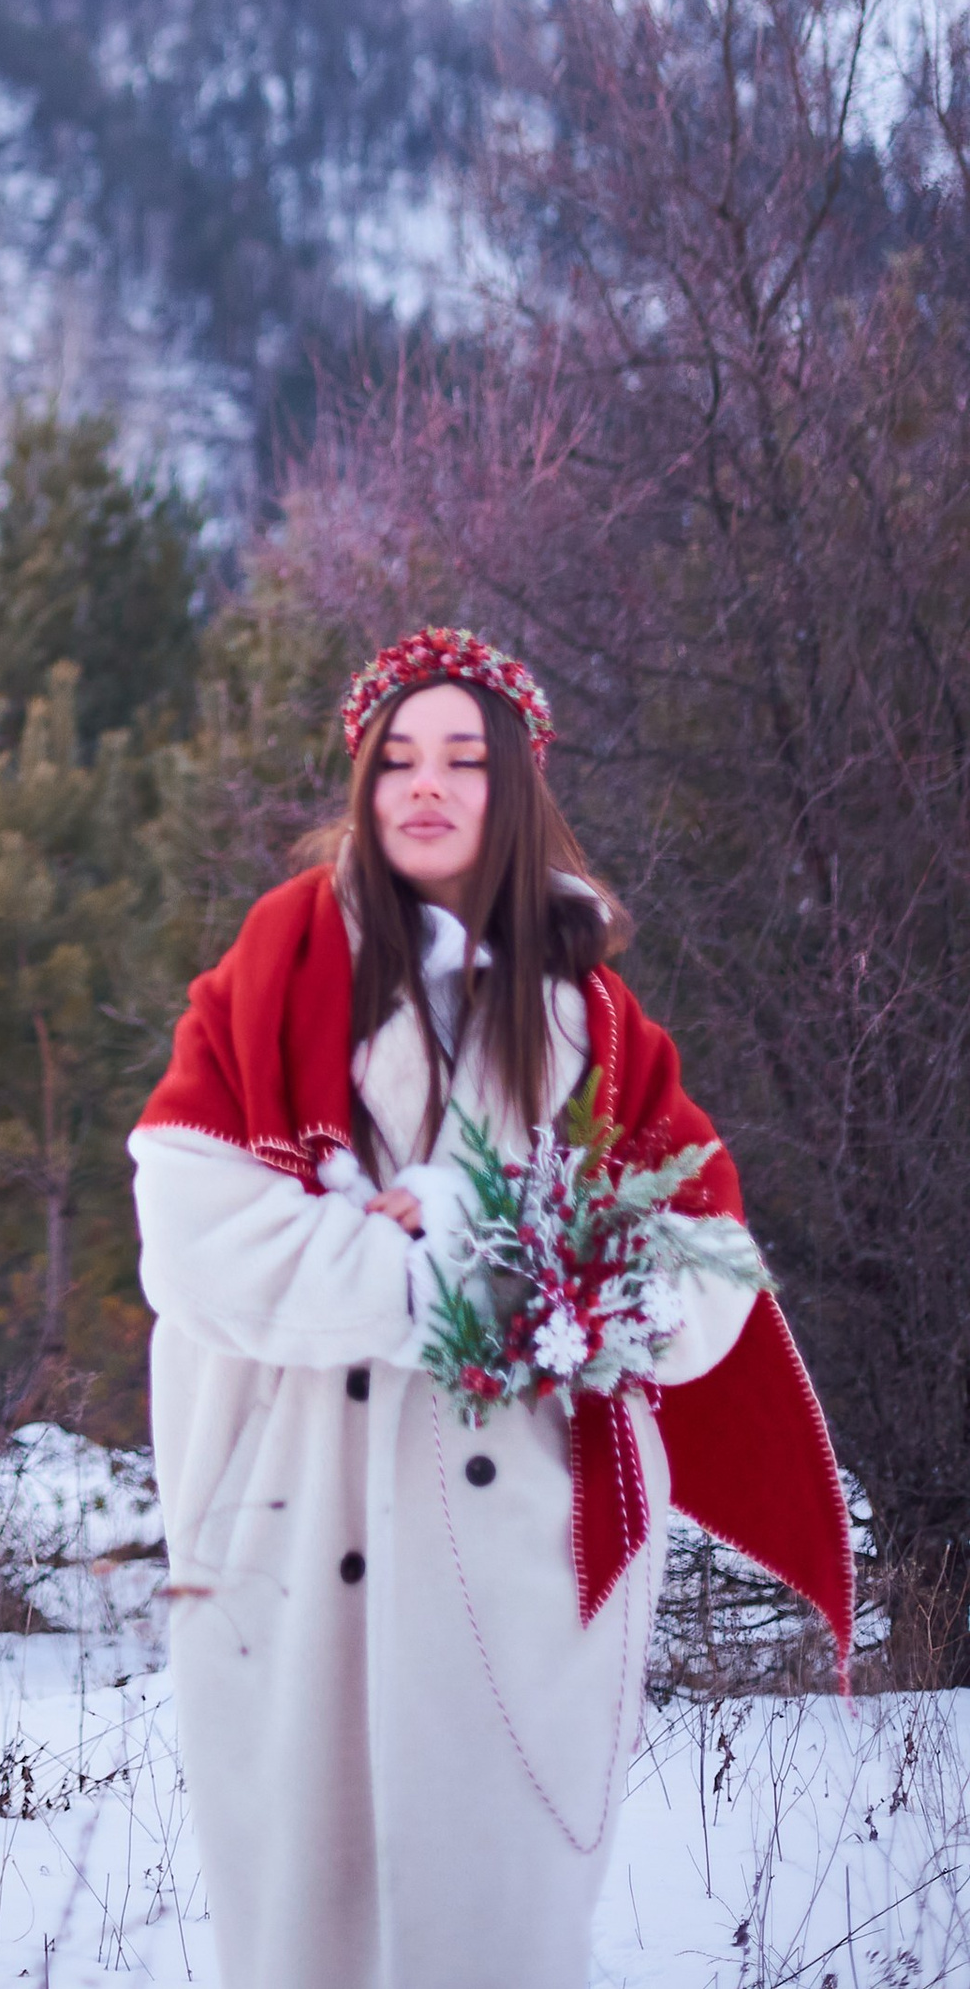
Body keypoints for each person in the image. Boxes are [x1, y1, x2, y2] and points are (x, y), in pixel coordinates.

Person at [129, 626, 851, 1989]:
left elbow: (706, 1265)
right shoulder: (272, 976)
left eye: (463, 758)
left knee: (499, 1928)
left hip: (520, 1541)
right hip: (301, 1522)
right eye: (396, 757)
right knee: (307, 1926)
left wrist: (534, 1265)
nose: (426, 784)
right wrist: (414, 1275)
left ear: (511, 787)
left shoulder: (599, 1024)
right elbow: (195, 1231)